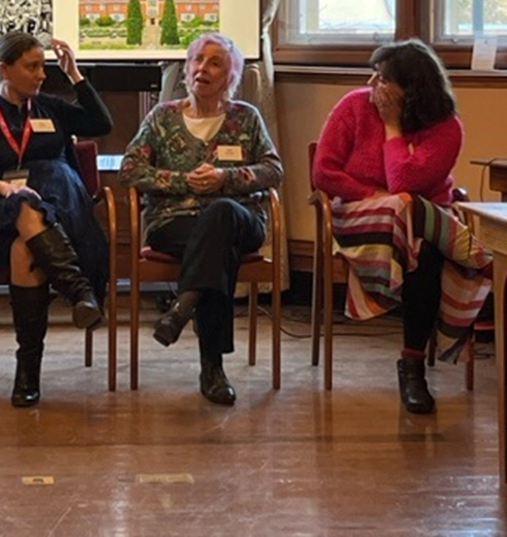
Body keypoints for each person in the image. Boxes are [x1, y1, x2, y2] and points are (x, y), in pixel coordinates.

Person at [312, 37, 492, 415]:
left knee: (420, 243)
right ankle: (480, 259)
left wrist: (392, 127)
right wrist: (375, 196)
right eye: (373, 76)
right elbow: (323, 173)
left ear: (411, 89)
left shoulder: (446, 126)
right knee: (404, 206)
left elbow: (403, 180)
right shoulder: (353, 106)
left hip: (421, 229)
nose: (372, 85)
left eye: (383, 79)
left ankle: (411, 369)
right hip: (360, 218)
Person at [119, 33, 283, 405]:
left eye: (214, 63)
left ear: (231, 76)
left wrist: (226, 178)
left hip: (240, 219)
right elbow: (130, 170)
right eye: (197, 60)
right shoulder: (163, 117)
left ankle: (183, 307)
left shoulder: (246, 117)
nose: (202, 68)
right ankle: (213, 368)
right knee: (217, 249)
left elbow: (274, 170)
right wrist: (184, 181)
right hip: (174, 221)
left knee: (221, 214)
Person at [0, 31, 112, 408]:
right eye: (32, 67)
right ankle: (79, 292)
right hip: (2, 212)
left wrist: (75, 75)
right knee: (23, 204)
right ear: (4, 69)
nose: (41, 75)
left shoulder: (50, 108)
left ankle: (27, 373)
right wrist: (0, 187)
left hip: (62, 207)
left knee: (24, 251)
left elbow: (100, 123)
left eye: (44, 66)